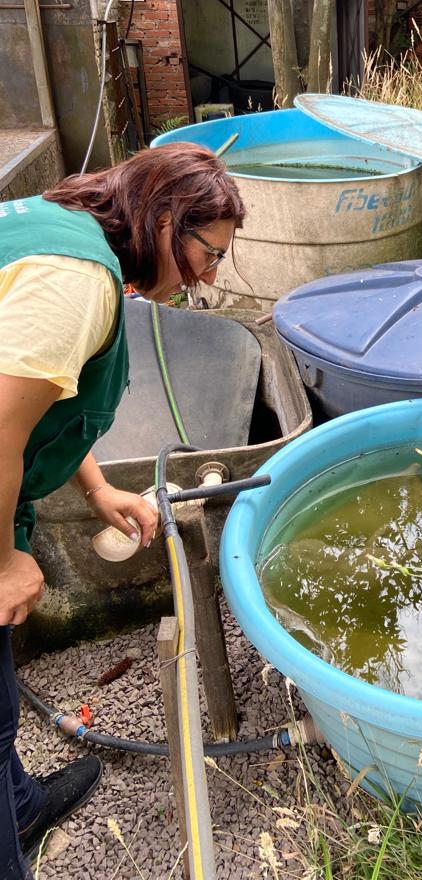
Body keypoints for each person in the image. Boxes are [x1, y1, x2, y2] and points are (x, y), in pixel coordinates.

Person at [0, 142, 245, 876]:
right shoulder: (76, 281)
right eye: (209, 253)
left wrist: (98, 488)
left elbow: (42, 397)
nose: (208, 276)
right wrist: (3, 559)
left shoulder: (58, 223)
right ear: (166, 217)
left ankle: (20, 808)